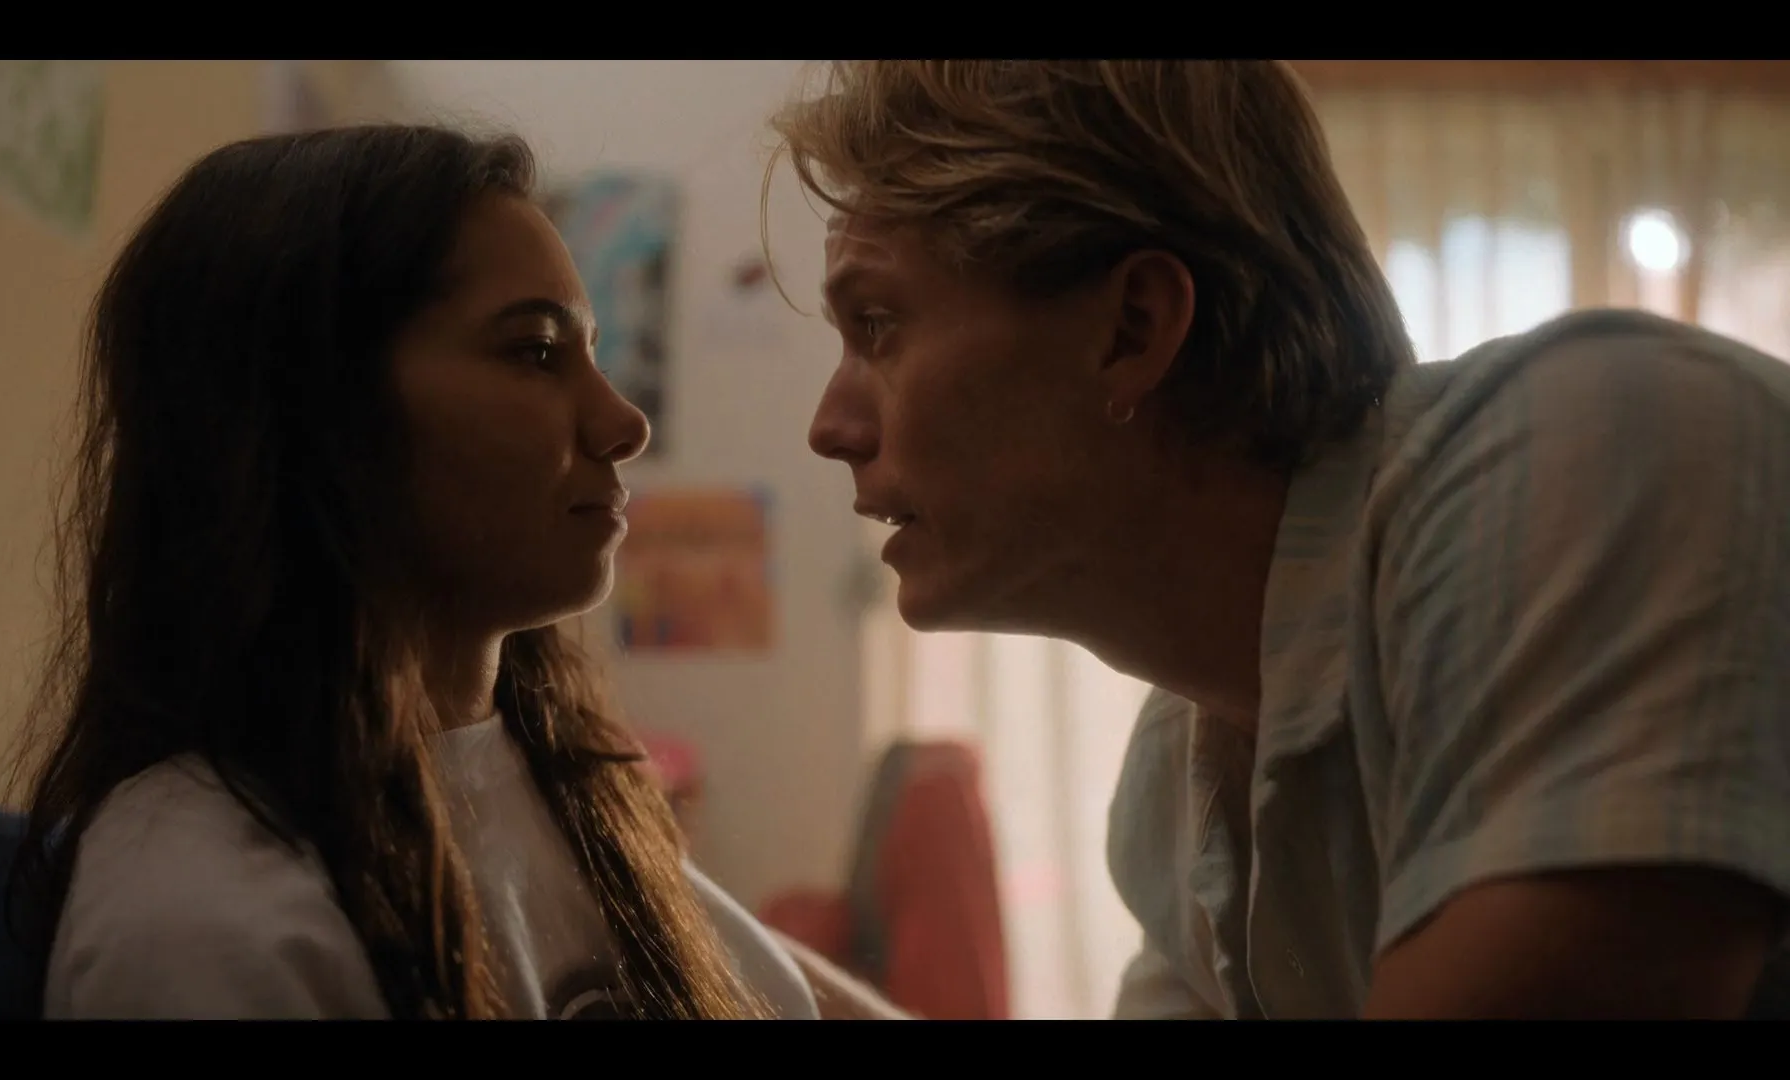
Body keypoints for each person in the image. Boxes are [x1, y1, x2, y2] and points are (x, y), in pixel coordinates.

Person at [767, 60, 1790, 1019]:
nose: (828, 427)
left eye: (878, 325)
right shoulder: (1177, 780)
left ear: (1132, 328)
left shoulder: (1609, 448)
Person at [6, 124, 820, 1020]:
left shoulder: (557, 781)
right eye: (535, 352)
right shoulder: (201, 923)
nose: (625, 423)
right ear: (315, 408)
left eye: (591, 354)